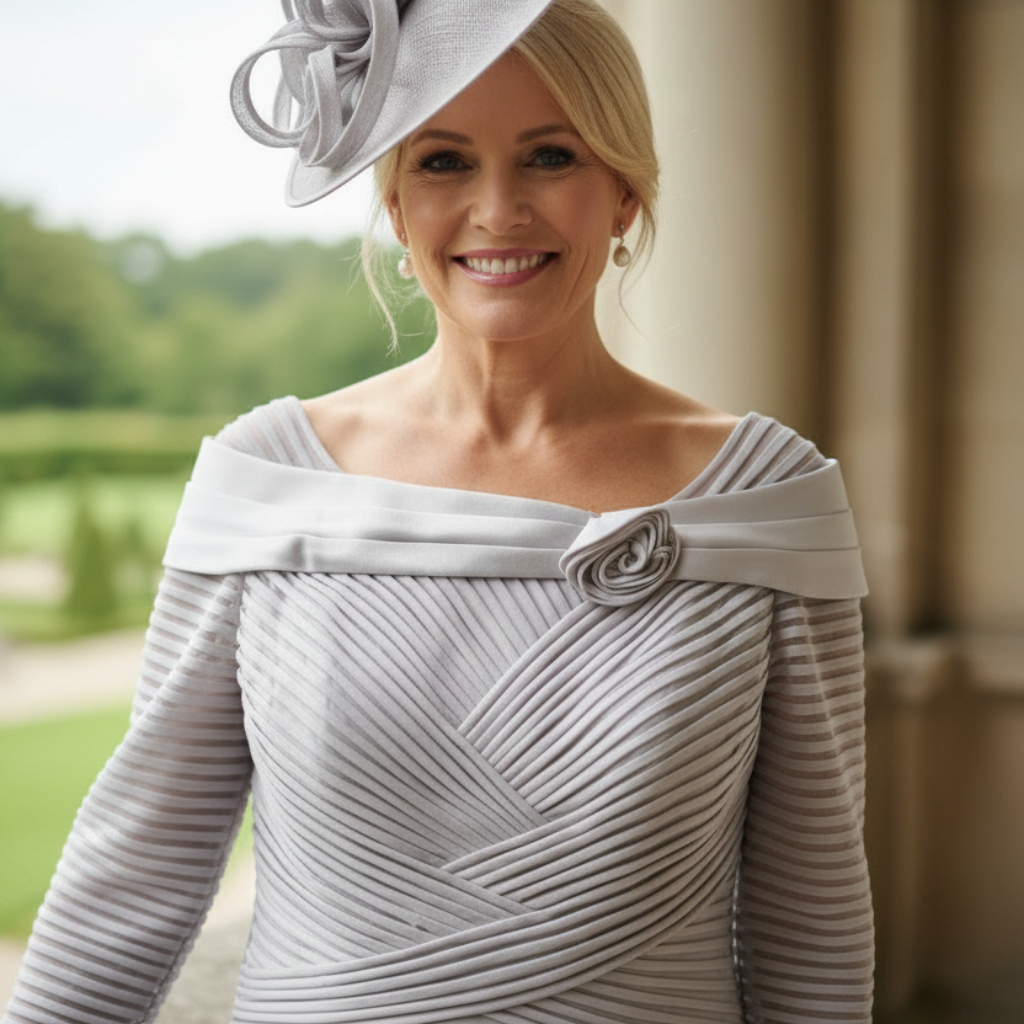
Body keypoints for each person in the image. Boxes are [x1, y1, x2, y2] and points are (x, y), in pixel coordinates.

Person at [2, 1, 874, 1022]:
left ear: (624, 193)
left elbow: (811, 925)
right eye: (444, 161)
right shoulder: (265, 480)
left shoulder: (766, 499)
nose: (498, 210)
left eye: (550, 156)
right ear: (393, 200)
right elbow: (130, 882)